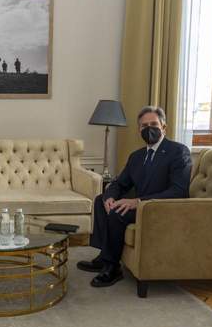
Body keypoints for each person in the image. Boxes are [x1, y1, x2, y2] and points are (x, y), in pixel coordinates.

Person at [77, 106, 192, 287]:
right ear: (139, 130)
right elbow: (119, 183)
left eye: (154, 124)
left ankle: (113, 267)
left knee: (118, 213)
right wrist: (110, 197)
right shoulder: (137, 156)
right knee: (100, 201)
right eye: (144, 126)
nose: (149, 129)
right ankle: (104, 256)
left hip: (159, 208)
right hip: (140, 206)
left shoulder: (178, 151)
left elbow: (179, 191)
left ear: (163, 127)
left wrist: (138, 202)